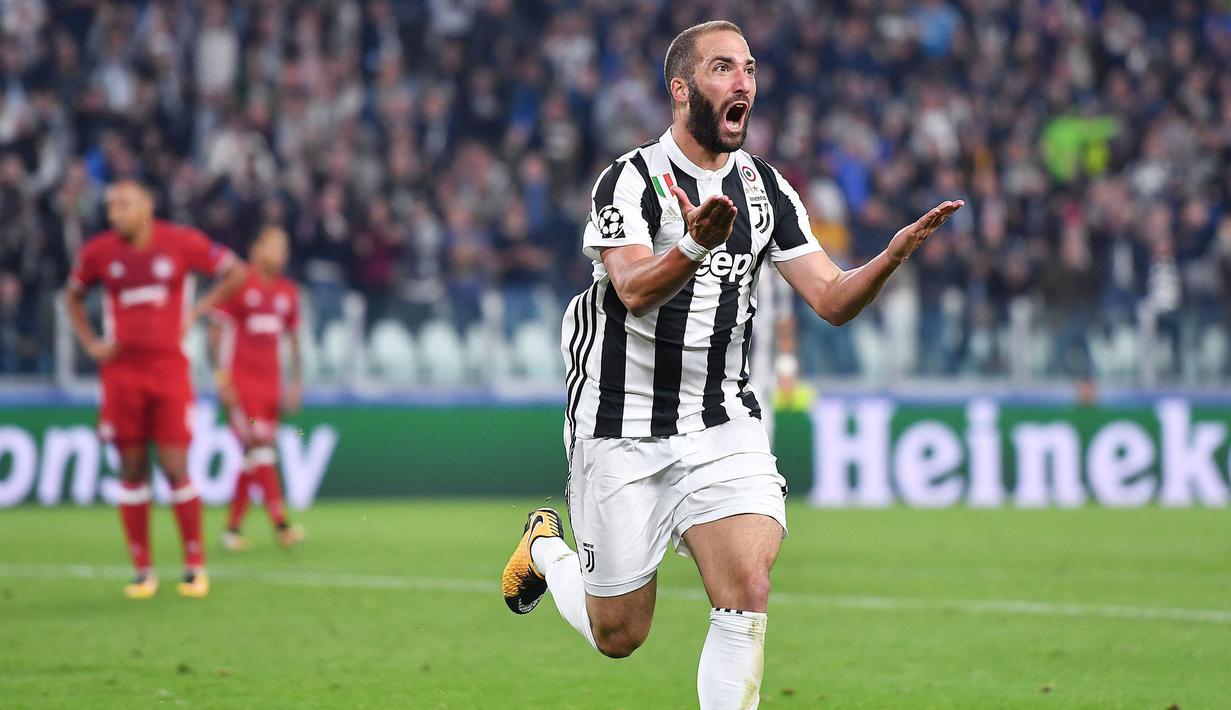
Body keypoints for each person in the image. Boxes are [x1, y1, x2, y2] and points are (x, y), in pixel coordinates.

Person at [502, 21, 963, 709]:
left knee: (747, 589)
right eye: (723, 68)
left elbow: (831, 300)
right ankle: (543, 549)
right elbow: (629, 290)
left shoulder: (767, 191)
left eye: (748, 68)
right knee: (619, 635)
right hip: (619, 421)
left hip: (719, 419)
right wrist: (689, 247)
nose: (742, 81)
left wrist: (889, 258)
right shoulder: (627, 181)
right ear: (681, 89)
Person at [66, 179, 246, 599]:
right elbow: (72, 296)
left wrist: (199, 310)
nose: (115, 214)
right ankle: (142, 571)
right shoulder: (99, 251)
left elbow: (234, 271)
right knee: (130, 468)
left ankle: (194, 566)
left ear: (147, 206)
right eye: (111, 206)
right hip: (121, 374)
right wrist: (92, 343)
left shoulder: (179, 242)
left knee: (174, 465)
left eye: (124, 205)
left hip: (168, 372)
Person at [209, 226, 306, 551]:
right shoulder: (239, 283)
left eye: (285, 247)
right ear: (257, 249)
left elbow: (293, 341)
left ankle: (232, 530)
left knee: (253, 456)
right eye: (275, 246)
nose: (281, 254)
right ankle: (281, 524)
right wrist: (222, 379)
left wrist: (295, 384)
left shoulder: (288, 292)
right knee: (258, 445)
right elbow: (216, 332)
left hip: (270, 389)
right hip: (241, 387)